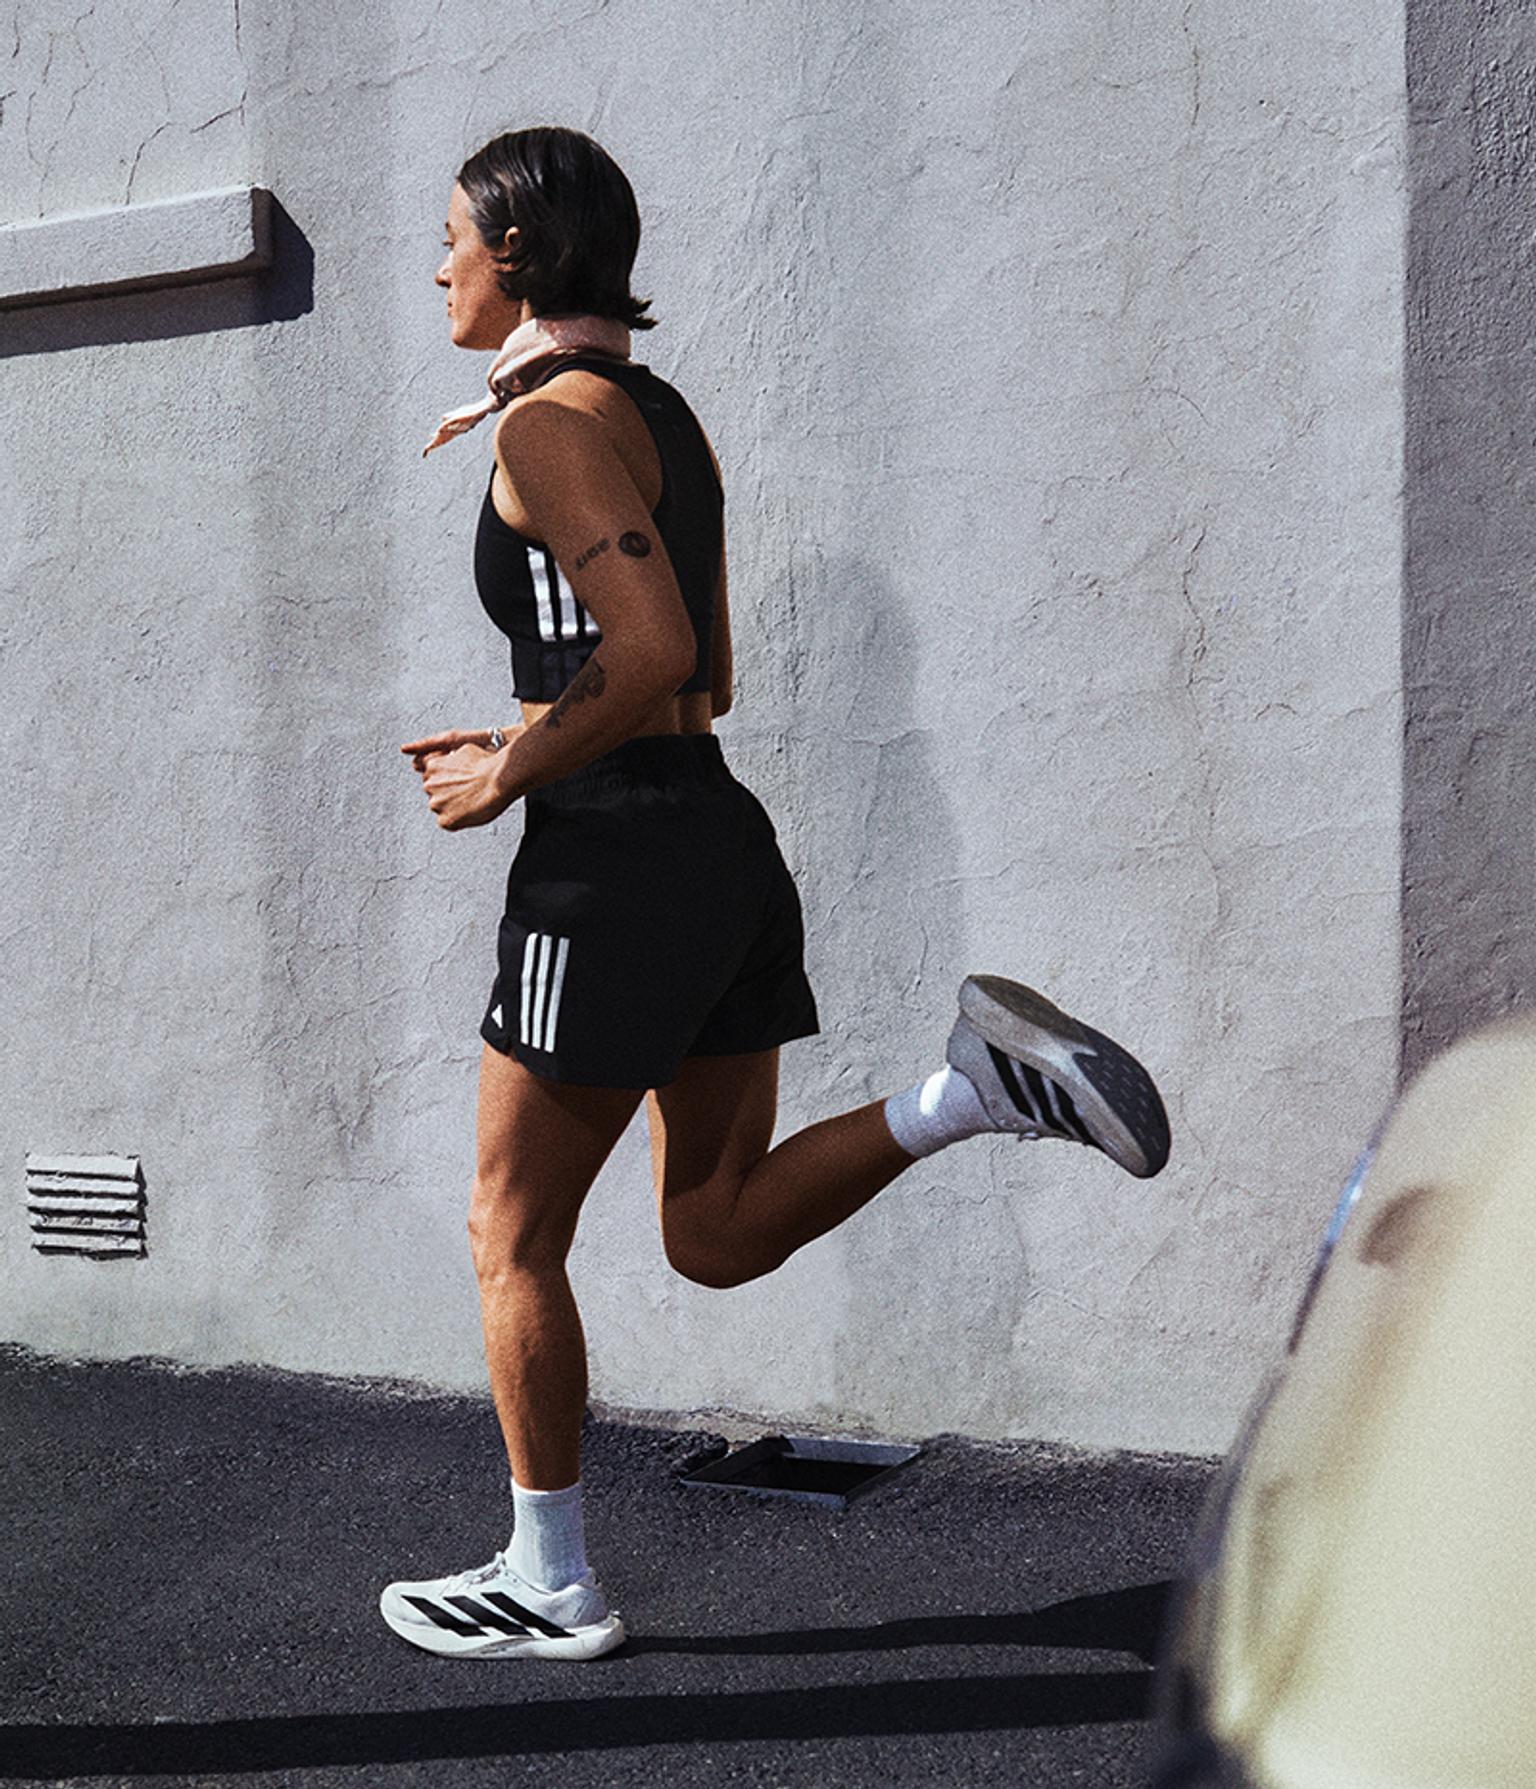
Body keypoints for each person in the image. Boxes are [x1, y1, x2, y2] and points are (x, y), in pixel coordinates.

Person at [380, 125, 1171, 1662]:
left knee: (508, 1229)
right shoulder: (655, 412)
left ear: (518, 254)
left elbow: (660, 652)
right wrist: (537, 727)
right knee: (716, 1227)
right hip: (714, 837)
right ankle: (970, 1089)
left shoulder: (547, 429)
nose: (438, 268)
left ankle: (549, 1579)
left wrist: (513, 765)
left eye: (452, 240)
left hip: (611, 859)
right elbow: (708, 677)